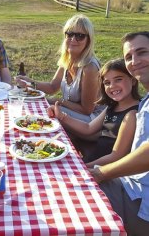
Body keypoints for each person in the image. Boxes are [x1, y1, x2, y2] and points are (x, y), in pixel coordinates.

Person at [90, 31, 149, 235]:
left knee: (73, 197)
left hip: (141, 201)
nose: (135, 61)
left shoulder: (132, 111)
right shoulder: (145, 102)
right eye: (129, 57)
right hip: (129, 184)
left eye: (142, 52)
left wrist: (100, 172)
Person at [48, 58, 140, 165]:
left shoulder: (134, 113)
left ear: (133, 80)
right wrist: (62, 116)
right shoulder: (112, 106)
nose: (112, 86)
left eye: (118, 79)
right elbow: (88, 128)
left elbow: (117, 156)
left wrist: (85, 167)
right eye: (107, 82)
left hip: (108, 170)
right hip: (95, 159)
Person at [16, 14, 102, 122]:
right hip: (72, 112)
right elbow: (52, 87)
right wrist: (30, 83)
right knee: (38, 108)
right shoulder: (67, 60)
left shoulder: (90, 68)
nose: (73, 39)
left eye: (80, 36)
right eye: (69, 34)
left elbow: (87, 110)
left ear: (88, 40)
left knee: (48, 112)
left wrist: (58, 101)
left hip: (92, 121)